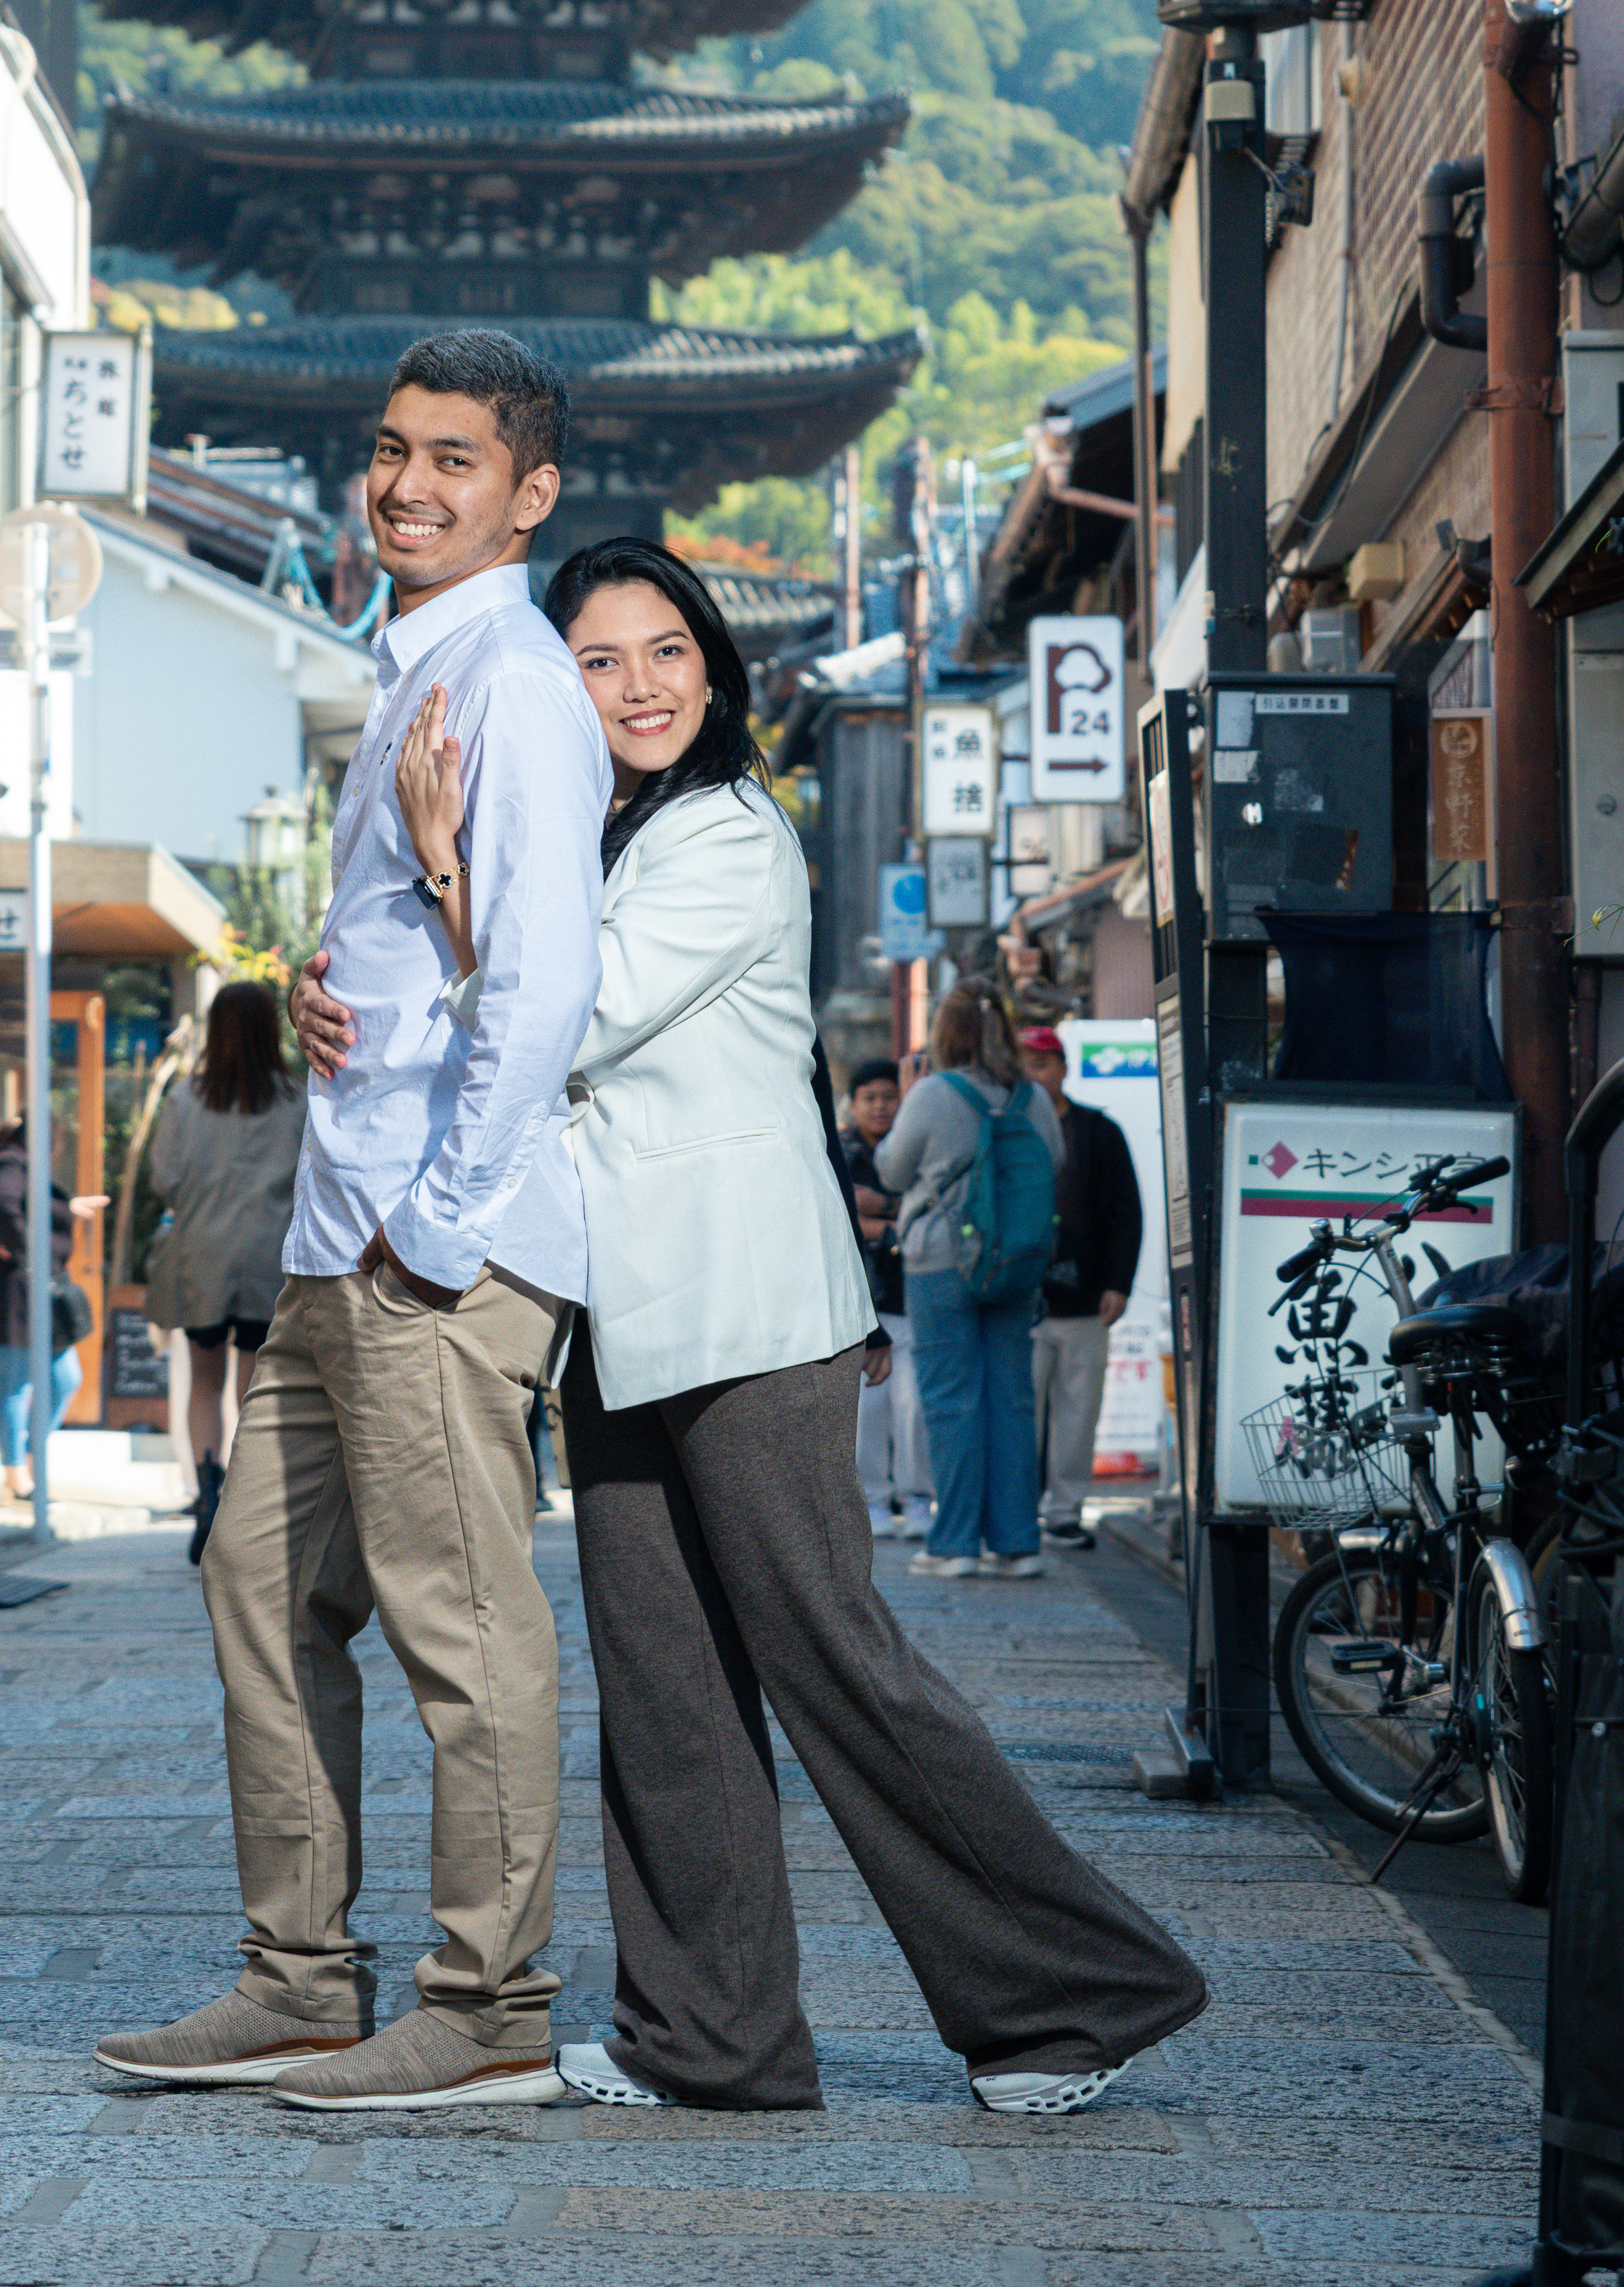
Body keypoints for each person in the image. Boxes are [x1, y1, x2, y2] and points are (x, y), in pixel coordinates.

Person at [333, 534, 1206, 2118]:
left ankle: (1071, 1995)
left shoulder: (728, 833)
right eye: (597, 660)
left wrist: (448, 876)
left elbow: (568, 1015)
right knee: (664, 1692)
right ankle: (706, 2037)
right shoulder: (603, 838)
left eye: (667, 650)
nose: (640, 685)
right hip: (618, 1314)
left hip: (740, 1309)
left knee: (836, 1666)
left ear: (715, 669)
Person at [97, 329, 609, 2114]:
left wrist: (440, 1228)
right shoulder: (412, 669)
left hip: (426, 1252)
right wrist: (338, 998)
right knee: (258, 1595)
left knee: (460, 1632)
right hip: (336, 1239)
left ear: (529, 494)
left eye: (454, 459)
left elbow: (548, 987)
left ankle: (493, 2007)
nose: (405, 484)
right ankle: (301, 1979)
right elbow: (440, 966)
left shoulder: (518, 682)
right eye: (391, 450)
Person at [875, 986, 1062, 1580]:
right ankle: (1017, 1543)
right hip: (1015, 1260)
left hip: (941, 1262)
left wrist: (912, 1102)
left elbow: (892, 1169)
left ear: (944, 1034)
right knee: (1012, 1399)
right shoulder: (1030, 1096)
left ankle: (954, 1543)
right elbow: (1053, 1161)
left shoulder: (932, 1093)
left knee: (951, 1400)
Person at [147, 980, 308, 1565]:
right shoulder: (298, 1099)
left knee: (204, 1380)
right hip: (272, 1258)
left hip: (203, 1257)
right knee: (255, 1386)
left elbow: (163, 1179)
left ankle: (208, 1490)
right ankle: (249, 1502)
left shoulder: (186, 1101)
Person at [1018, 1022, 1143, 1551]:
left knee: (1078, 1413)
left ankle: (1065, 1511)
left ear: (1065, 1068)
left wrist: (1120, 1282)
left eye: (1043, 1064)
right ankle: (1018, 1512)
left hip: (1088, 1297)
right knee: (1023, 1415)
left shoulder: (1099, 1131)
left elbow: (1125, 1213)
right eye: (1024, 1066)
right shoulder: (1007, 1128)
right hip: (1021, 1300)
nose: (1035, 1076)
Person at [0, 1117, 98, 1501]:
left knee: (64, 1378)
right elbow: (4, 1205)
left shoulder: (12, 1164)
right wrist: (22, 1247)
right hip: (13, 1290)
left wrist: (67, 1206)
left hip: (30, 1288)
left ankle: (33, 1460)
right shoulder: (9, 1164)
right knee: (16, 1382)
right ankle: (17, 1474)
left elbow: (22, 1204)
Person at [839, 1057, 930, 1542]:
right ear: (853, 1105)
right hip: (859, 1302)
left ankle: (917, 1497)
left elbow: (931, 1203)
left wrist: (883, 1218)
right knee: (867, 1410)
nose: (879, 1107)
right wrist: (890, 1226)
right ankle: (872, 1497)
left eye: (888, 1097)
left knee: (913, 1404)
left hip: (910, 1296)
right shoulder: (837, 1149)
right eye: (869, 1098)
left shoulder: (914, 1145)